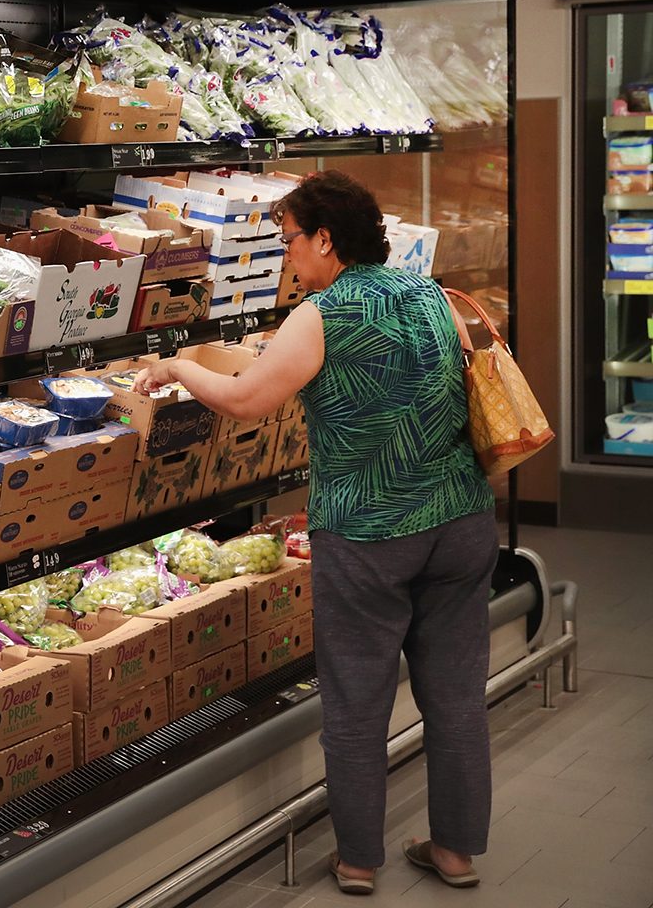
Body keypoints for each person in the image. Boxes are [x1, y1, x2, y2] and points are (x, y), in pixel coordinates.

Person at [132, 170, 496, 896]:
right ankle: (455, 851)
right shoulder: (431, 293)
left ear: (325, 239)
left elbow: (247, 400)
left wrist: (176, 364)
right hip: (461, 519)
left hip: (368, 532)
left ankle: (360, 861)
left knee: (357, 701)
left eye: (290, 241)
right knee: (456, 695)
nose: (286, 256)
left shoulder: (324, 314)